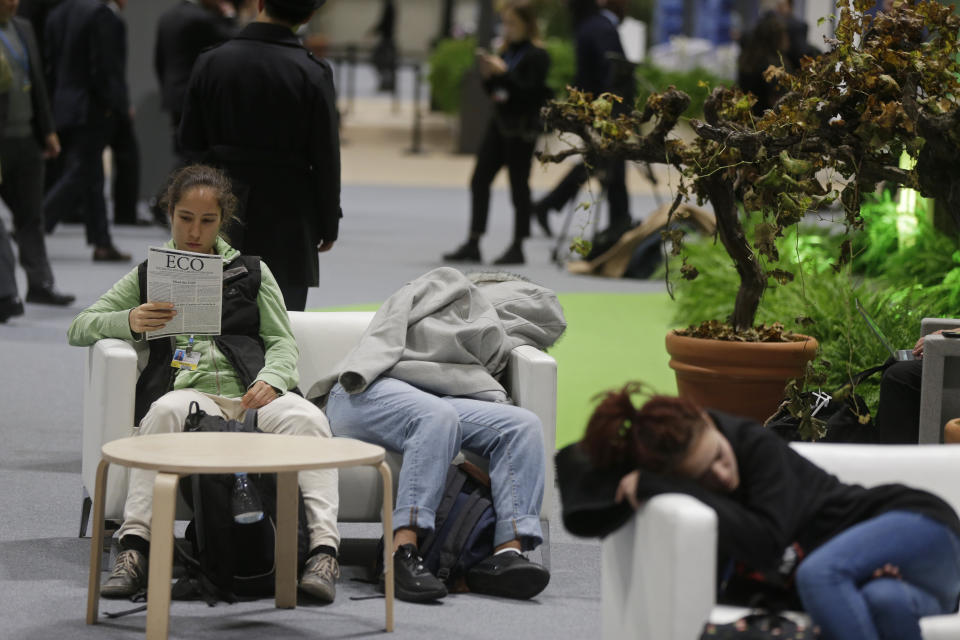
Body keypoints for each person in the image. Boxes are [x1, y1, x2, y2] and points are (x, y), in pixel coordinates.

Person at [67, 164, 341, 603]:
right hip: (191, 396)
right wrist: (131, 320)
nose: (195, 232)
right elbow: (79, 326)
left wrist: (273, 379)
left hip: (254, 393)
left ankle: (324, 554)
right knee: (162, 413)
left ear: (223, 220)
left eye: (207, 221)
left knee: (309, 419)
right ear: (170, 214)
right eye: (185, 219)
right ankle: (134, 549)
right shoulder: (146, 275)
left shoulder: (252, 271)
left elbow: (281, 341)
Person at [558, 384, 960, 640]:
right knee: (884, 602)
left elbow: (768, 542)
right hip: (900, 580)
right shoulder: (698, 487)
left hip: (917, 525)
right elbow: (579, 471)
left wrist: (671, 485)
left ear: (706, 419)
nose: (722, 474)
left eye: (717, 455)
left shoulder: (755, 446)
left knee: (820, 573)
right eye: (704, 476)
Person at [314, 266, 565, 603]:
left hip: (436, 400)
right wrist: (362, 368)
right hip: (367, 391)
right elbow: (384, 330)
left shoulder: (500, 335)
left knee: (522, 425)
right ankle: (401, 552)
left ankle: (506, 553)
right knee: (437, 416)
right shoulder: (440, 285)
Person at [179, 0, 341, 312]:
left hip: (218, 203)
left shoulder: (211, 60)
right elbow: (325, 157)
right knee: (279, 323)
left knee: (206, 318)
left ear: (260, 3)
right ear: (309, 14)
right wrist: (327, 222)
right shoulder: (312, 71)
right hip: (289, 214)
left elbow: (189, 144)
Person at [442, 0, 550, 266]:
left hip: (521, 130)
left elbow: (528, 93)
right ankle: (474, 240)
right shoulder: (507, 51)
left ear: (527, 24)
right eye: (506, 23)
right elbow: (498, 94)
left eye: (513, 23)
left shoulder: (537, 55)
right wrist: (490, 76)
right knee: (479, 180)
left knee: (518, 187)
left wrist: (505, 75)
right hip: (499, 125)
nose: (508, 28)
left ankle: (518, 245)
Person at [532, 0, 634, 241]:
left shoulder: (586, 26)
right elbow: (611, 71)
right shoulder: (601, 27)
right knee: (611, 163)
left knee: (597, 160)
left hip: (598, 107)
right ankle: (619, 221)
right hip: (609, 109)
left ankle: (549, 205)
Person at [0, 0, 74, 316]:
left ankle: (40, 283)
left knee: (31, 214)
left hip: (27, 138)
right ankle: (6, 293)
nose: (13, 2)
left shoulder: (24, 28)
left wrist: (48, 130)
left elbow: (38, 84)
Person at [42, 0, 130, 261]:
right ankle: (36, 224)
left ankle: (102, 243)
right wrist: (114, 105)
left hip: (64, 105)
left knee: (91, 176)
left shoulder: (57, 13)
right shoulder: (101, 15)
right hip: (91, 107)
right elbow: (104, 66)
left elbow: (51, 64)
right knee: (80, 171)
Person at [154, 0, 238, 167]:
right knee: (194, 156)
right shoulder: (200, 19)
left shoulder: (167, 17)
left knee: (182, 149)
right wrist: (230, 16)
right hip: (194, 97)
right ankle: (178, 191)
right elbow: (235, 40)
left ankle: (175, 191)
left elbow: (159, 61)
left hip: (173, 96)